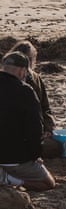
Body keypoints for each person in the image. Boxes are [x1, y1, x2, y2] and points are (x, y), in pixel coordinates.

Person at [0, 51, 56, 191]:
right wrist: (35, 155)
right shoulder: (25, 91)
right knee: (48, 183)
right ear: (22, 71)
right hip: (13, 158)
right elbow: (34, 130)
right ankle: (7, 179)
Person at [8, 41, 59, 158]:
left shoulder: (36, 79)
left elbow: (45, 108)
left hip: (34, 131)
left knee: (54, 147)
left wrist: (48, 128)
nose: (28, 64)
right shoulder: (5, 79)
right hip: (11, 131)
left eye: (30, 60)